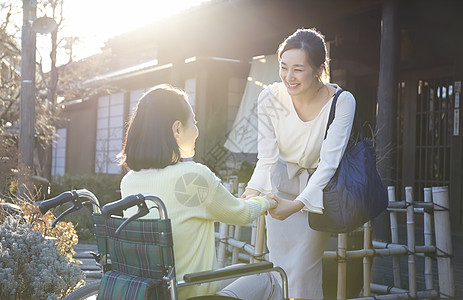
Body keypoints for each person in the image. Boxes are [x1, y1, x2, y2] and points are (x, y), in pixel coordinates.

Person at [118, 84, 282, 300]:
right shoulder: (192, 176)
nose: (196, 129)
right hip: (191, 291)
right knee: (268, 277)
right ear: (177, 129)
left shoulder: (129, 181)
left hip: (153, 292)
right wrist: (267, 201)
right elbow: (239, 214)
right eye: (193, 122)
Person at [241, 28, 356, 300]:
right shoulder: (270, 97)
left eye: (298, 70)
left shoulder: (341, 102)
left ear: (318, 69)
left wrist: (298, 205)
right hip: (280, 191)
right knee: (280, 271)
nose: (288, 77)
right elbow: (267, 157)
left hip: (317, 194)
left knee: (303, 271)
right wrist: (251, 192)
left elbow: (329, 163)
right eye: (283, 68)